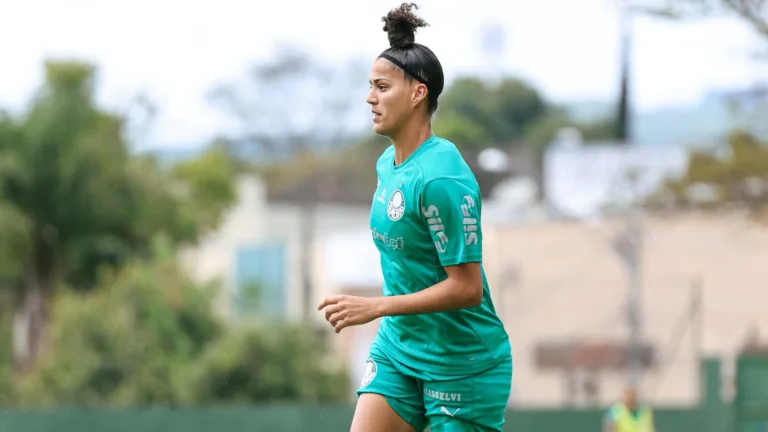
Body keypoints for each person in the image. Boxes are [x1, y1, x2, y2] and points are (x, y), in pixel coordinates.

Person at [316, 3, 513, 431]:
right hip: (400, 349)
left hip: (462, 363)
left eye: (382, 87)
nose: (370, 97)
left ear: (418, 92)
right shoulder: (389, 163)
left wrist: (377, 306)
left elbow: (467, 288)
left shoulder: (442, 178)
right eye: (370, 86)